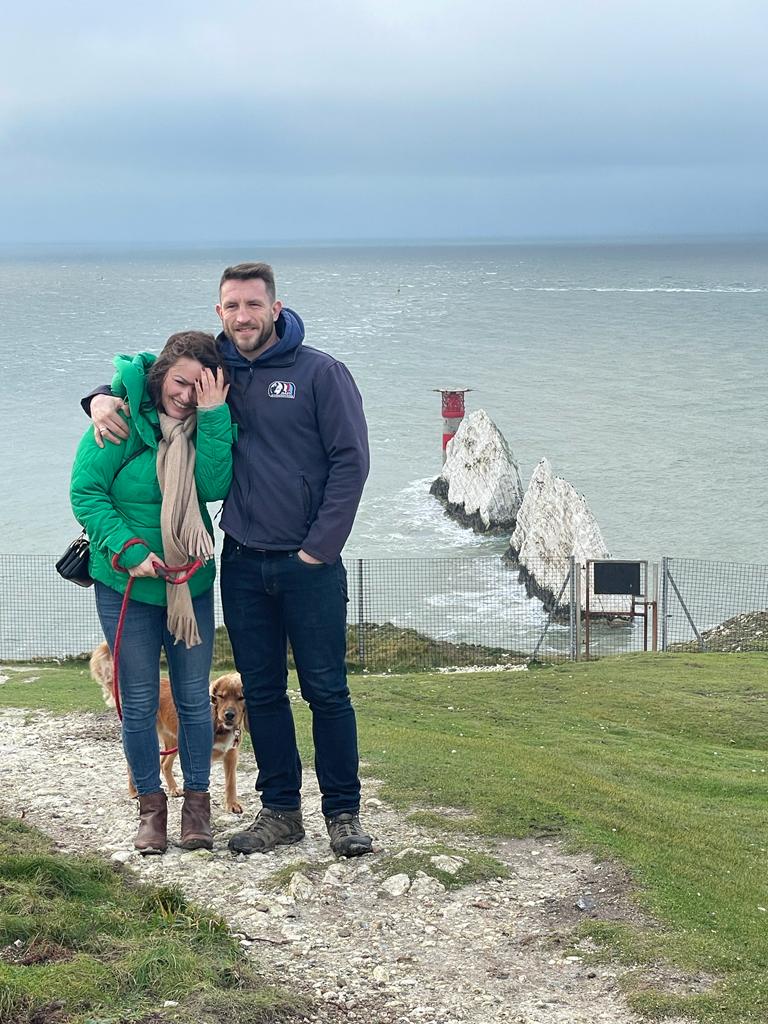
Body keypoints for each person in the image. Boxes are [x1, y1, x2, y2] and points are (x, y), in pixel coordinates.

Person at [87, 263, 372, 858]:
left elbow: (351, 462)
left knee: (327, 691)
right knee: (263, 693)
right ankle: (281, 812)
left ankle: (343, 812)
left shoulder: (321, 373)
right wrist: (99, 397)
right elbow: (154, 370)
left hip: (309, 562)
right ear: (219, 313)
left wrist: (321, 547)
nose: (242, 316)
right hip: (241, 559)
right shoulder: (218, 367)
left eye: (252, 304)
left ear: (275, 306)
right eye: (231, 306)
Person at [72, 331, 234, 855]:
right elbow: (86, 492)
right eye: (180, 382)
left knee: (192, 702)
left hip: (192, 584)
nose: (185, 395)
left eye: (199, 387)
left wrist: (212, 417)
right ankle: (150, 808)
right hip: (126, 585)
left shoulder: (208, 420)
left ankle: (196, 808)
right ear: (161, 373)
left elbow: (213, 487)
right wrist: (128, 549)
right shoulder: (116, 420)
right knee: (138, 704)